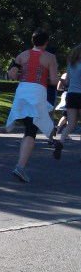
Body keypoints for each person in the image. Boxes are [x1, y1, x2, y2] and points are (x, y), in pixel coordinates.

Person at [6, 29, 58, 182]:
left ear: (33, 41)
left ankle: (20, 165)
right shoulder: (49, 57)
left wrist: (24, 76)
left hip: (22, 91)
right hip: (37, 91)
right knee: (31, 130)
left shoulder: (22, 55)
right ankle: (20, 167)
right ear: (46, 42)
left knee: (29, 127)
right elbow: (54, 81)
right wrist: (43, 78)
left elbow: (12, 74)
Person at [51, 43, 81, 159]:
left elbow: (66, 82)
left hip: (71, 95)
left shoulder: (71, 65)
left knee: (71, 124)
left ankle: (61, 142)